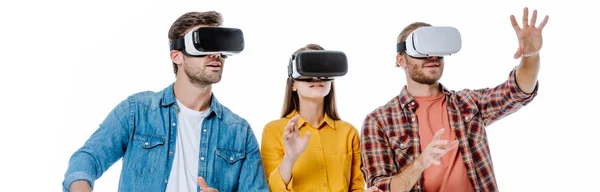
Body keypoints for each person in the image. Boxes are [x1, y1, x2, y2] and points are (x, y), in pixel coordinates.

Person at [62, 11, 269, 192]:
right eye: (204, 45)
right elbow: (85, 160)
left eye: (220, 47)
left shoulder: (239, 132)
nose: (216, 55)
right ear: (177, 56)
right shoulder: (137, 111)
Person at [360, 7, 548, 192]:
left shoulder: (467, 103)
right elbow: (380, 187)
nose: (432, 56)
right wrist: (420, 163)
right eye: (421, 50)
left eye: (436, 49)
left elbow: (517, 91)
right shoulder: (379, 122)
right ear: (401, 60)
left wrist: (530, 55)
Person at [260, 44, 381, 192]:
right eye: (308, 69)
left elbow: (356, 188)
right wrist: (290, 158)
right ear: (293, 84)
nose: (316, 77)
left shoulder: (349, 133)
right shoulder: (274, 131)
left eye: (322, 70)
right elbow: (270, 189)